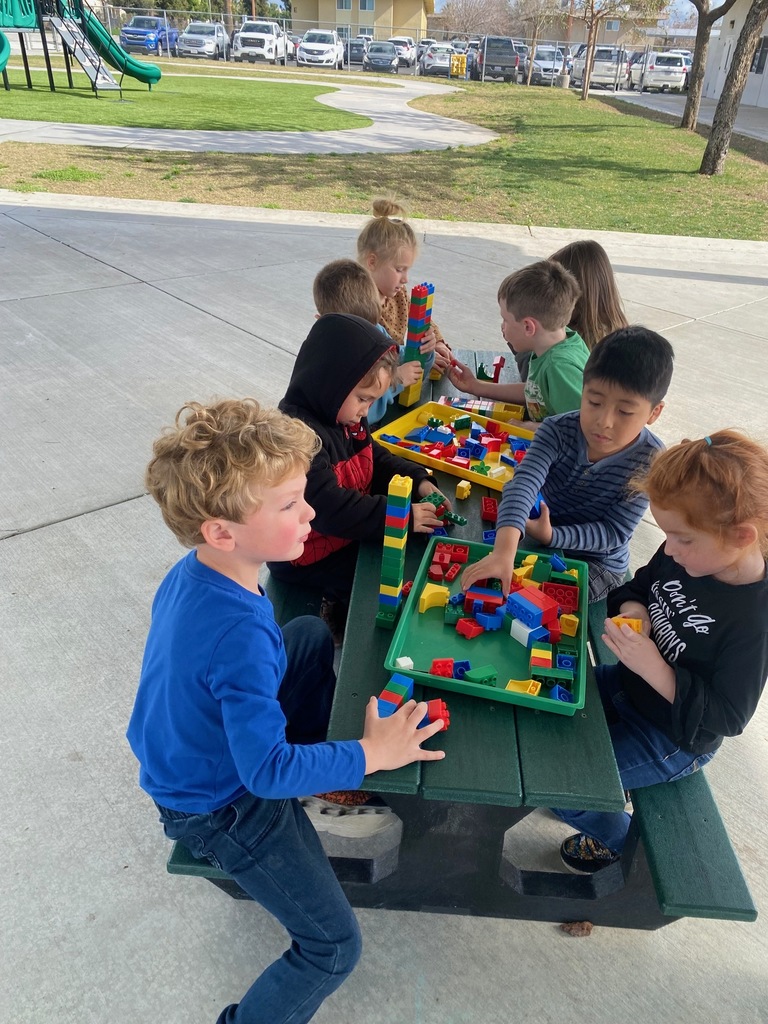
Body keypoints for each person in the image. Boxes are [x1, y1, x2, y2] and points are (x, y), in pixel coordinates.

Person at [126, 398, 447, 1024]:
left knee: (304, 633)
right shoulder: (239, 637)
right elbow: (264, 773)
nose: (311, 512)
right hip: (219, 805)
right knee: (333, 949)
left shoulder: (197, 570)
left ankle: (320, 767)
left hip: (193, 754)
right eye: (290, 504)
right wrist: (370, 754)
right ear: (223, 532)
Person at [555, 429, 768, 873]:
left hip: (672, 737)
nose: (668, 548)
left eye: (682, 538)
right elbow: (638, 586)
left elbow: (728, 716)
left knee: (563, 786)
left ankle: (620, 845)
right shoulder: (686, 553)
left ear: (742, 536)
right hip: (626, 686)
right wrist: (636, 613)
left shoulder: (754, 618)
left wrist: (654, 666)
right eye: (667, 534)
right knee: (548, 702)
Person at [267, 313, 451, 641]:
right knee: (382, 579)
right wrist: (402, 516)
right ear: (330, 384)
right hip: (308, 555)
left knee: (406, 557)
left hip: (344, 533)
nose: (367, 410)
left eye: (372, 401)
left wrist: (418, 480)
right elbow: (330, 509)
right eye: (364, 399)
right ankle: (340, 615)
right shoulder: (298, 439)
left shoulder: (345, 415)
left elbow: (374, 458)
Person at [461, 326, 674, 602]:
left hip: (597, 563)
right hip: (542, 538)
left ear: (654, 413)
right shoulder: (557, 430)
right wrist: (503, 552)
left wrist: (553, 535)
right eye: (594, 402)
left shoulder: (650, 460)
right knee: (497, 583)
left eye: (624, 411)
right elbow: (523, 484)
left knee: (540, 604)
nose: (604, 422)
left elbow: (613, 532)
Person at [448, 259, 589, 430]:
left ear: (528, 327)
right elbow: (535, 392)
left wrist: (528, 427)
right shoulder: (555, 341)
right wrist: (477, 386)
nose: (502, 326)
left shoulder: (559, 367)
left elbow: (582, 427)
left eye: (505, 320)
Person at [312, 257, 433, 426]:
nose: (367, 340)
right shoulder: (330, 359)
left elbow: (407, 362)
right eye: (357, 333)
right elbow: (359, 414)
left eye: (371, 328)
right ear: (323, 323)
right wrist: (395, 381)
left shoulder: (377, 333)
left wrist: (424, 349)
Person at [356, 197, 452, 376]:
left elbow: (417, 315)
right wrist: (413, 364)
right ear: (372, 262)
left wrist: (435, 342)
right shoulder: (358, 307)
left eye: (407, 270)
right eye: (399, 270)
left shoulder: (397, 293)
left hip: (397, 375)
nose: (405, 279)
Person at [515, 239, 629, 383]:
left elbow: (535, 382)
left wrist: (524, 343)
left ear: (575, 296)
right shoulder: (615, 330)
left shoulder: (573, 342)